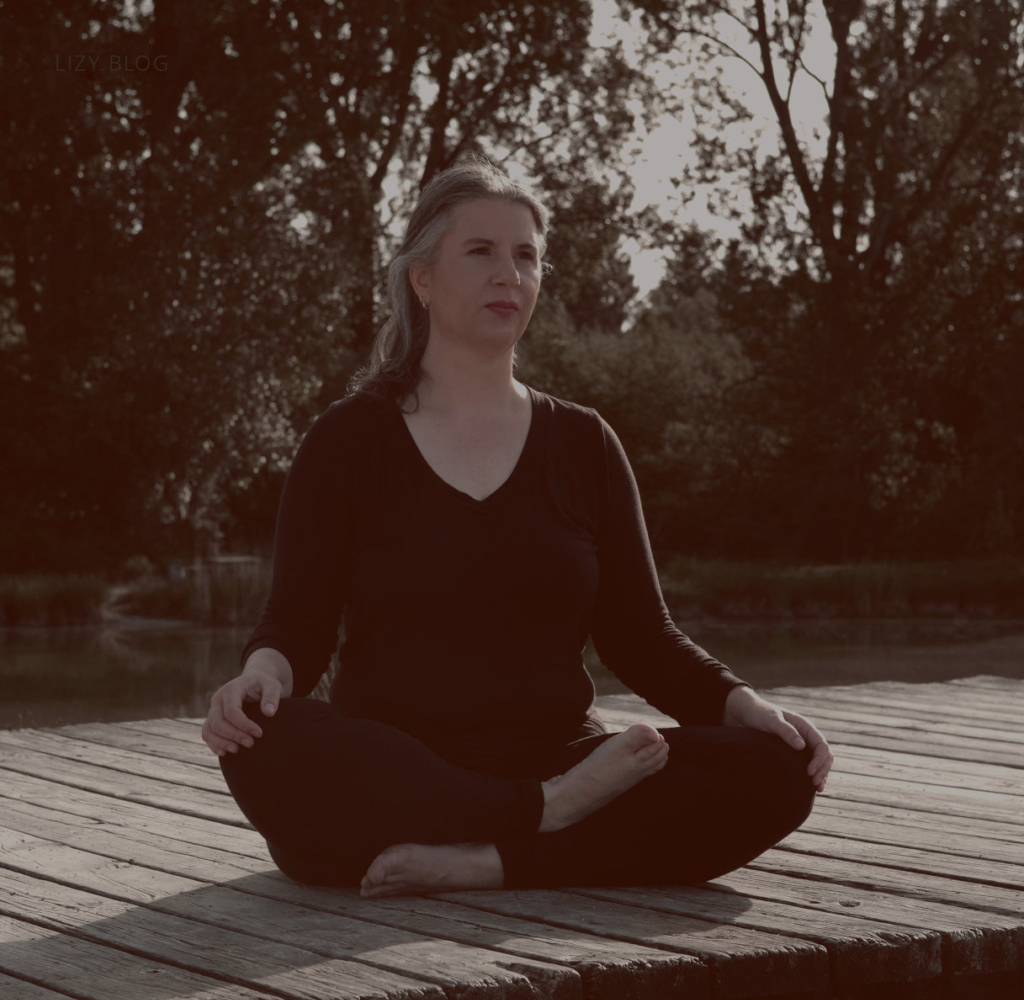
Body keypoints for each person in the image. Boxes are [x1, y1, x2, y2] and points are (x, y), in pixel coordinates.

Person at [202, 160, 833, 899]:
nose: (510, 274)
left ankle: (487, 862)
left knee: (780, 769)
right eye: (481, 252)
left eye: (526, 256)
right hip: (401, 769)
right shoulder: (348, 441)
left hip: (558, 755)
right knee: (262, 742)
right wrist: (258, 680)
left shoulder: (584, 444)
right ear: (423, 279)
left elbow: (641, 636)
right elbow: (298, 626)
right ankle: (542, 823)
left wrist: (744, 704)